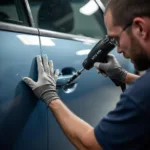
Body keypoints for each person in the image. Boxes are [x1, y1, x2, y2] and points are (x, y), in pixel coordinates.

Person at [23, 0, 150, 149]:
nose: (119, 50)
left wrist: (51, 97)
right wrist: (124, 76)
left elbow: (92, 146)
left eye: (116, 39)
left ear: (140, 28)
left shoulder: (142, 94)